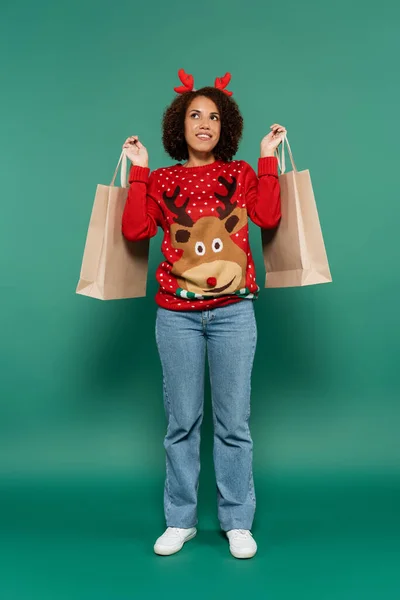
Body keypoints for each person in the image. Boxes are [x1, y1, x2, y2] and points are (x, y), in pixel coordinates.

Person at [121, 69, 286, 559]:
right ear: (180, 125)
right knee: (182, 422)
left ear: (224, 127)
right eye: (195, 114)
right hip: (177, 316)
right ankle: (181, 520)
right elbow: (134, 231)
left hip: (235, 313)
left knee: (234, 423)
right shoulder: (163, 180)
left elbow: (270, 218)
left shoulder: (240, 175)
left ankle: (238, 521)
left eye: (213, 116)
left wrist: (267, 158)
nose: (204, 123)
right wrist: (139, 170)